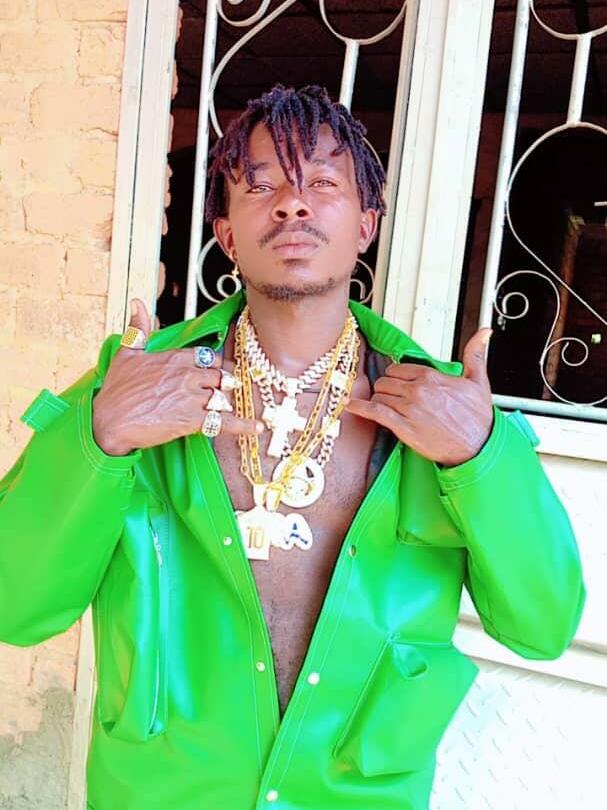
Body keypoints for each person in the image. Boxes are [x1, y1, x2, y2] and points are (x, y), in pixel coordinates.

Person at [0, 84, 586, 810]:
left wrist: (480, 457)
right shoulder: (138, 387)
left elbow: (541, 629)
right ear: (226, 234)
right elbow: (15, 605)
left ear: (366, 225)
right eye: (261, 186)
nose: (291, 205)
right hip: (162, 792)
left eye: (322, 183)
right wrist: (102, 436)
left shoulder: (444, 412)